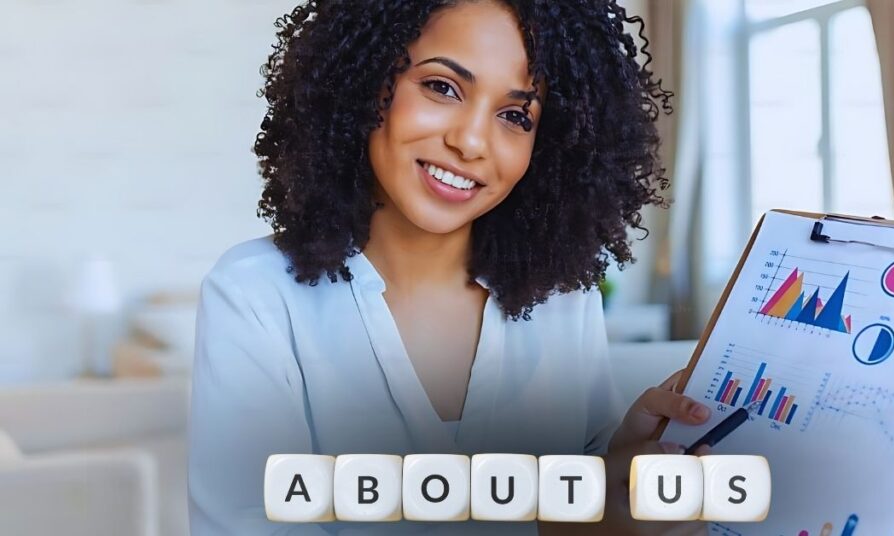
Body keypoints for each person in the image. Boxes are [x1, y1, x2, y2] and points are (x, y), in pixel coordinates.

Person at [188, 1, 712, 534]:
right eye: (442, 87)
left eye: (515, 116)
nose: (470, 141)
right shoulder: (256, 295)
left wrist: (622, 460)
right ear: (367, 82)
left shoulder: (562, 297)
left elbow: (578, 480)